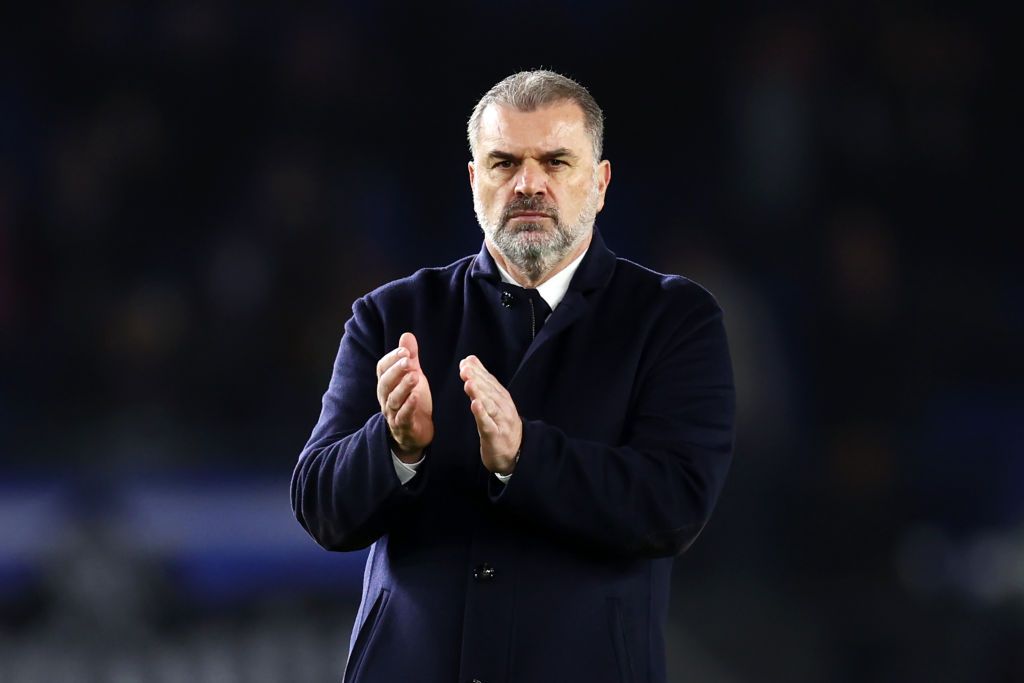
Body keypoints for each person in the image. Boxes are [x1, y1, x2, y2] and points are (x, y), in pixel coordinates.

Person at [291, 69, 736, 683]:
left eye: (556, 162)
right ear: (474, 181)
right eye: (504, 163)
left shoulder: (672, 320)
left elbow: (675, 503)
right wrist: (395, 448)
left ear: (600, 184)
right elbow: (318, 504)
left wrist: (526, 458)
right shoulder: (392, 315)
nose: (529, 183)